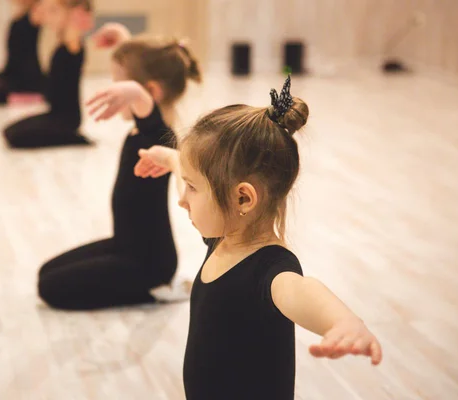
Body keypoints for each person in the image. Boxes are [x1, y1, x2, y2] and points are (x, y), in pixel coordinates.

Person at [134, 76, 382, 399]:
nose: (183, 199)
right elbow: (191, 188)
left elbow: (304, 292)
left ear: (243, 199)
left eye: (192, 188)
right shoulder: (225, 238)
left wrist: (345, 322)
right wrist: (170, 161)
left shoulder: (271, 271)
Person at [37, 23, 201, 309]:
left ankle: (156, 291)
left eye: (119, 85)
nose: (114, 91)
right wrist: (124, 41)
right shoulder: (145, 127)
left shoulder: (159, 135)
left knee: (50, 288)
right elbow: (144, 72)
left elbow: (147, 107)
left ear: (149, 92)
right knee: (46, 273)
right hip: (124, 245)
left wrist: (135, 92)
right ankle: (150, 287)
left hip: (148, 263)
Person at [2, 0, 94, 148]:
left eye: (54, 11)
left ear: (71, 15)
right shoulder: (62, 42)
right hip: (53, 114)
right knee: (8, 132)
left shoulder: (72, 43)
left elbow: (79, 10)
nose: (48, 17)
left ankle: (73, 138)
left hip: (66, 120)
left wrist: (76, 15)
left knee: (15, 136)